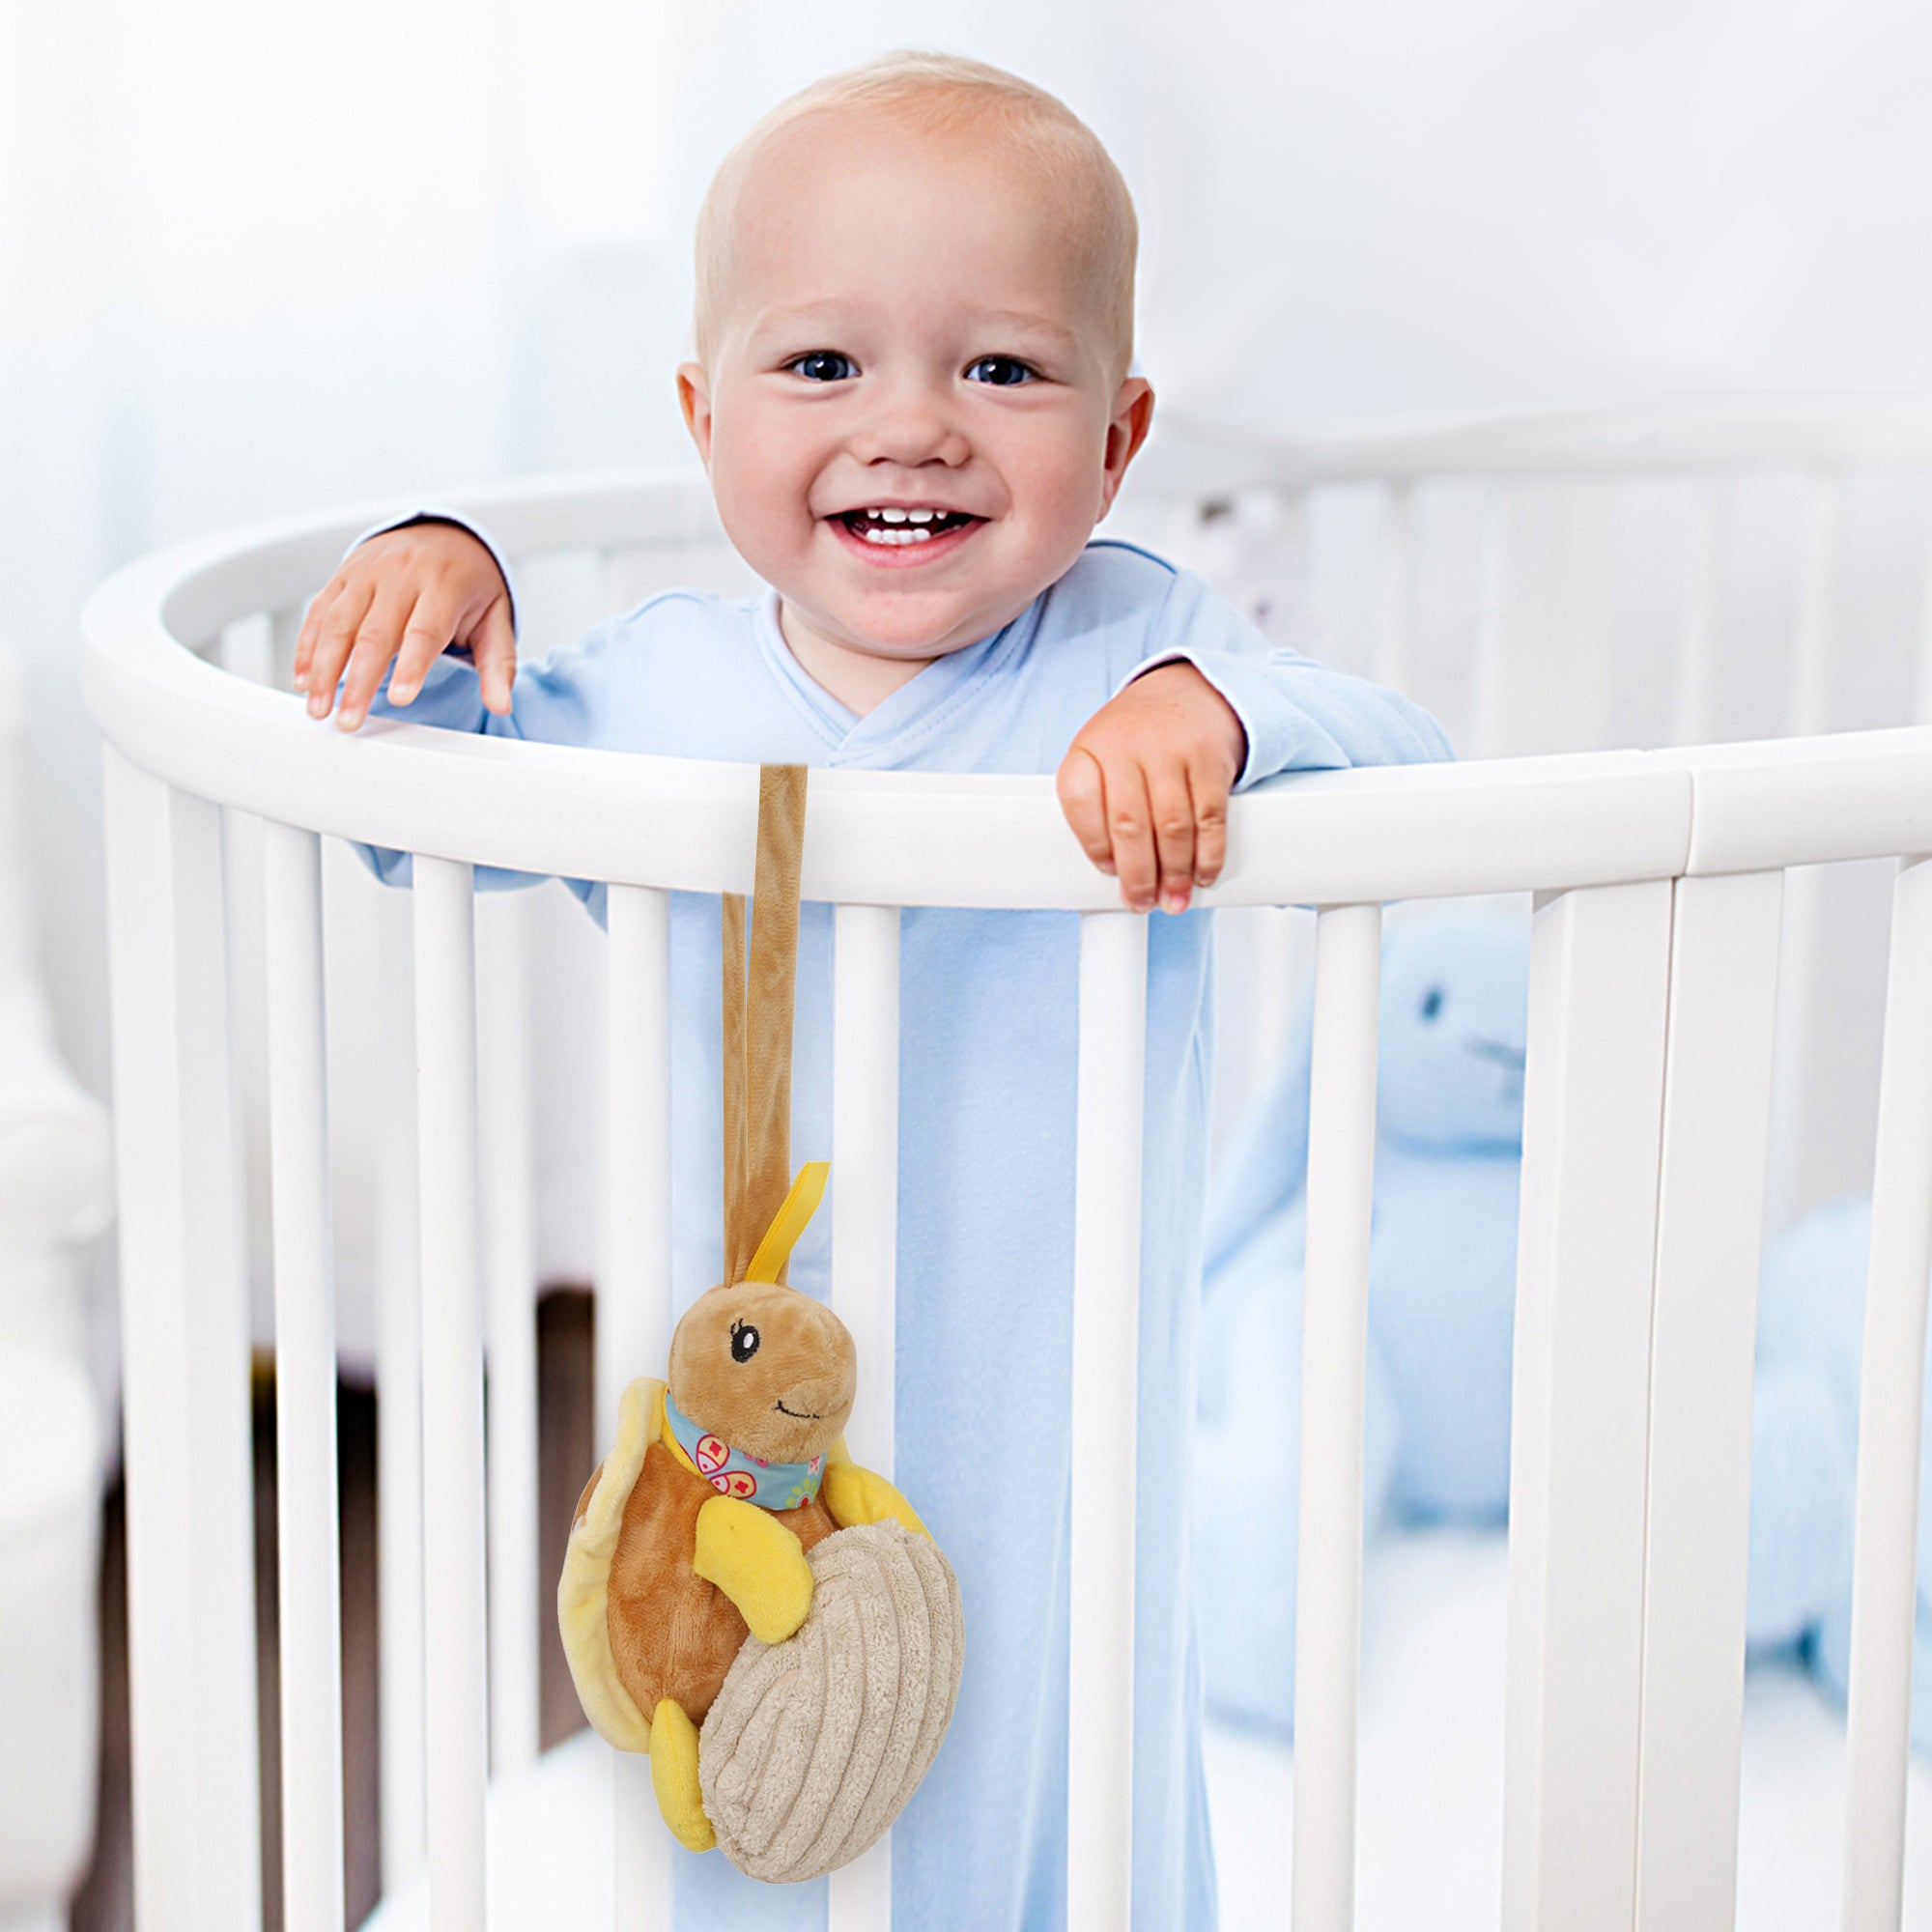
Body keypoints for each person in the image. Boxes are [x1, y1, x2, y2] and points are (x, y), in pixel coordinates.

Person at [294, 50, 1450, 1931]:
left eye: (1000, 368)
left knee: (1068, 1795)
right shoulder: (661, 690)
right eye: (824, 365)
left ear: (1122, 432)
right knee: (774, 1782)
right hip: (765, 1441)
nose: (912, 425)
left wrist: (1218, 713)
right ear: (701, 410)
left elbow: (1412, 772)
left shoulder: (1135, 652)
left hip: (1053, 1417)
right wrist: (441, 569)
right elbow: (408, 799)